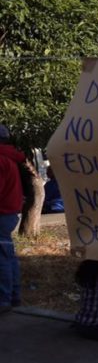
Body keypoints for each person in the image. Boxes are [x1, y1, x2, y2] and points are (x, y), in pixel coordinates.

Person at [0, 125, 23, 314]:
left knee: (2, 258)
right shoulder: (10, 157)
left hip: (1, 213)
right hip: (10, 213)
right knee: (8, 256)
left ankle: (4, 299)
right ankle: (14, 295)